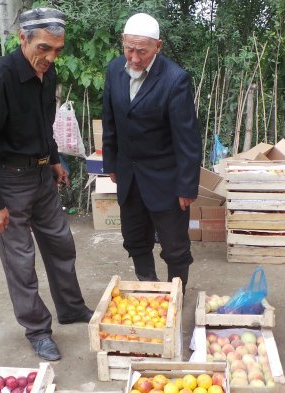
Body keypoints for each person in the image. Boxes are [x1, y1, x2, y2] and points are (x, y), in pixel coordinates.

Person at [0, 8, 93, 361]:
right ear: (23, 39)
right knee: (20, 261)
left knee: (61, 243)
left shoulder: (47, 74)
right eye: (44, 48)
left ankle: (71, 308)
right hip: (8, 182)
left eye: (57, 50)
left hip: (40, 176)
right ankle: (38, 330)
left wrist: (53, 160)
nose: (50, 57)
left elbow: (43, 124)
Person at [102, 13, 202, 292]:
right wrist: (111, 162)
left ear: (158, 47)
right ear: (123, 43)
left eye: (142, 52)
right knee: (134, 238)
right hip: (128, 174)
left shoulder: (175, 79)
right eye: (129, 49)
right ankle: (148, 285)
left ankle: (175, 294)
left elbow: (187, 138)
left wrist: (187, 185)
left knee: (174, 245)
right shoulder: (114, 70)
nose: (134, 58)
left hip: (166, 178)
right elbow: (110, 120)